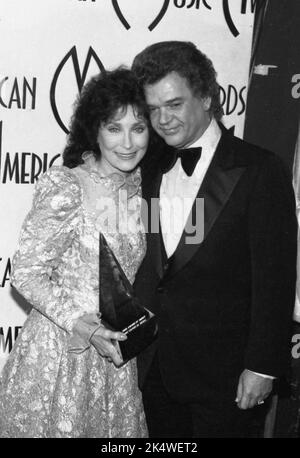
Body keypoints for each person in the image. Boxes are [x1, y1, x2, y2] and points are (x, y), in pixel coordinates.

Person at [131, 41, 298, 438]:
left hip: (228, 377)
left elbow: (274, 279)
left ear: (207, 97)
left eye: (174, 104)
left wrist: (261, 367)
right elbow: (164, 264)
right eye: (153, 109)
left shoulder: (259, 170)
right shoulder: (150, 168)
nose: (162, 119)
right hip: (157, 370)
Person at [0, 68, 150, 438]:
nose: (128, 143)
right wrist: (81, 323)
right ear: (95, 131)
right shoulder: (67, 186)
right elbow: (26, 272)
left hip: (114, 358)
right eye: (114, 128)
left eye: (138, 128)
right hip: (62, 354)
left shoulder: (141, 188)